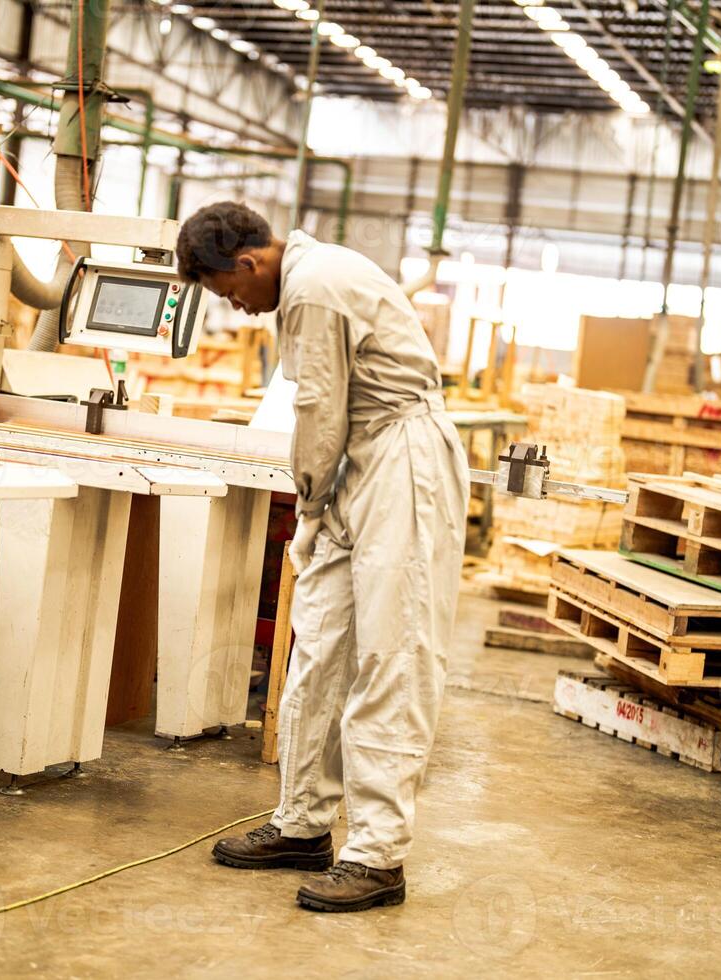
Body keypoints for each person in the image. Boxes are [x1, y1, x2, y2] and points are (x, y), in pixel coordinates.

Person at [175, 202, 469, 913]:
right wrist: (320, 504)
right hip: (358, 465)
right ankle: (305, 823)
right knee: (320, 651)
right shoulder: (306, 281)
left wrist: (308, 505)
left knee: (391, 656)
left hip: (401, 460)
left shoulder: (314, 286)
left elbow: (319, 409)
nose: (238, 309)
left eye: (228, 293)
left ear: (248, 264)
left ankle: (377, 856)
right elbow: (327, 414)